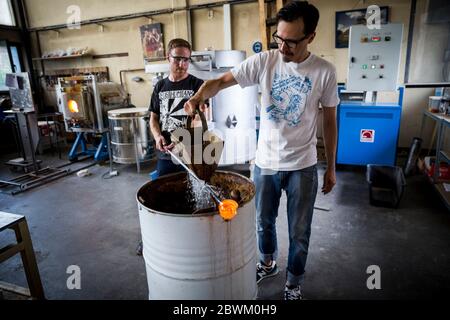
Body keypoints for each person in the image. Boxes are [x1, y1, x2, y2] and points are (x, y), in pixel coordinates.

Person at [184, 1, 339, 300]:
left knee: (300, 231)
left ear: (311, 37)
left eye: (292, 41)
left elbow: (330, 122)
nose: (283, 47)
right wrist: (198, 97)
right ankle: (268, 263)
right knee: (263, 222)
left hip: (303, 166)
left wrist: (330, 167)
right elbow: (219, 81)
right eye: (279, 39)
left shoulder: (324, 71)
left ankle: (293, 282)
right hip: (265, 162)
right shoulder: (264, 61)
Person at [136, 38, 206, 255]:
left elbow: (202, 118)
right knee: (160, 197)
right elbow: (154, 118)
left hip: (191, 154)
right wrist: (157, 136)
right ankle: (156, 239)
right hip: (166, 155)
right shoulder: (160, 86)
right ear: (168, 58)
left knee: (196, 196)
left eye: (186, 59)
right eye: (178, 58)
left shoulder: (197, 85)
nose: (182, 63)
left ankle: (193, 243)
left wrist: (186, 138)